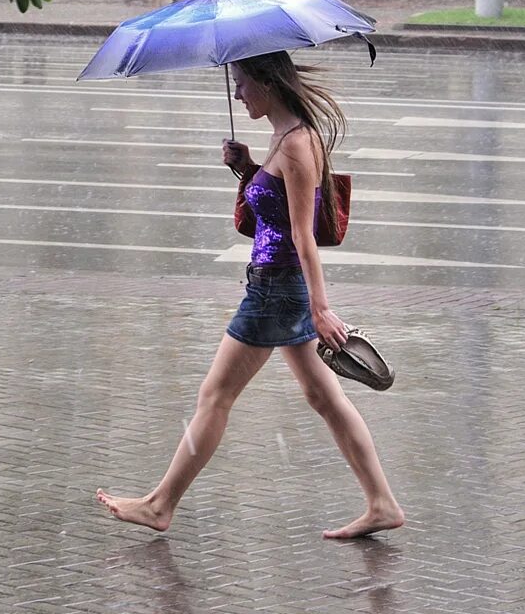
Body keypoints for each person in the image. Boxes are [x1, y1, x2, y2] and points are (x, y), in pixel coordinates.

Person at [96, 51, 404, 540]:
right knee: (323, 395)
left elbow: (302, 235)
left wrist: (321, 309)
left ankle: (160, 505)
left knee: (215, 396)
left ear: (266, 82)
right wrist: (248, 170)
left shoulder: (300, 144)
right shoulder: (284, 137)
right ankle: (382, 503)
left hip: (275, 291)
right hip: (278, 285)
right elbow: (276, 212)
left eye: (242, 82)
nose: (237, 93)